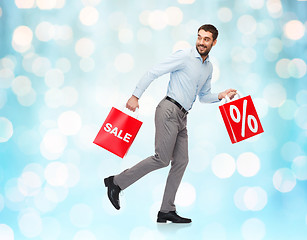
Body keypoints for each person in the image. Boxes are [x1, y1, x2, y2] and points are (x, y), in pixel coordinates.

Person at [104, 24, 237, 223]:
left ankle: (166, 209)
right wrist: (135, 96)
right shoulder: (184, 56)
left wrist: (221, 95)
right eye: (199, 37)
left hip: (183, 117)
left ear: (214, 42)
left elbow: (203, 96)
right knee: (162, 159)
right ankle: (116, 182)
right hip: (168, 110)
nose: (201, 42)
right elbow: (153, 72)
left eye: (206, 39)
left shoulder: (208, 67)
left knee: (182, 161)